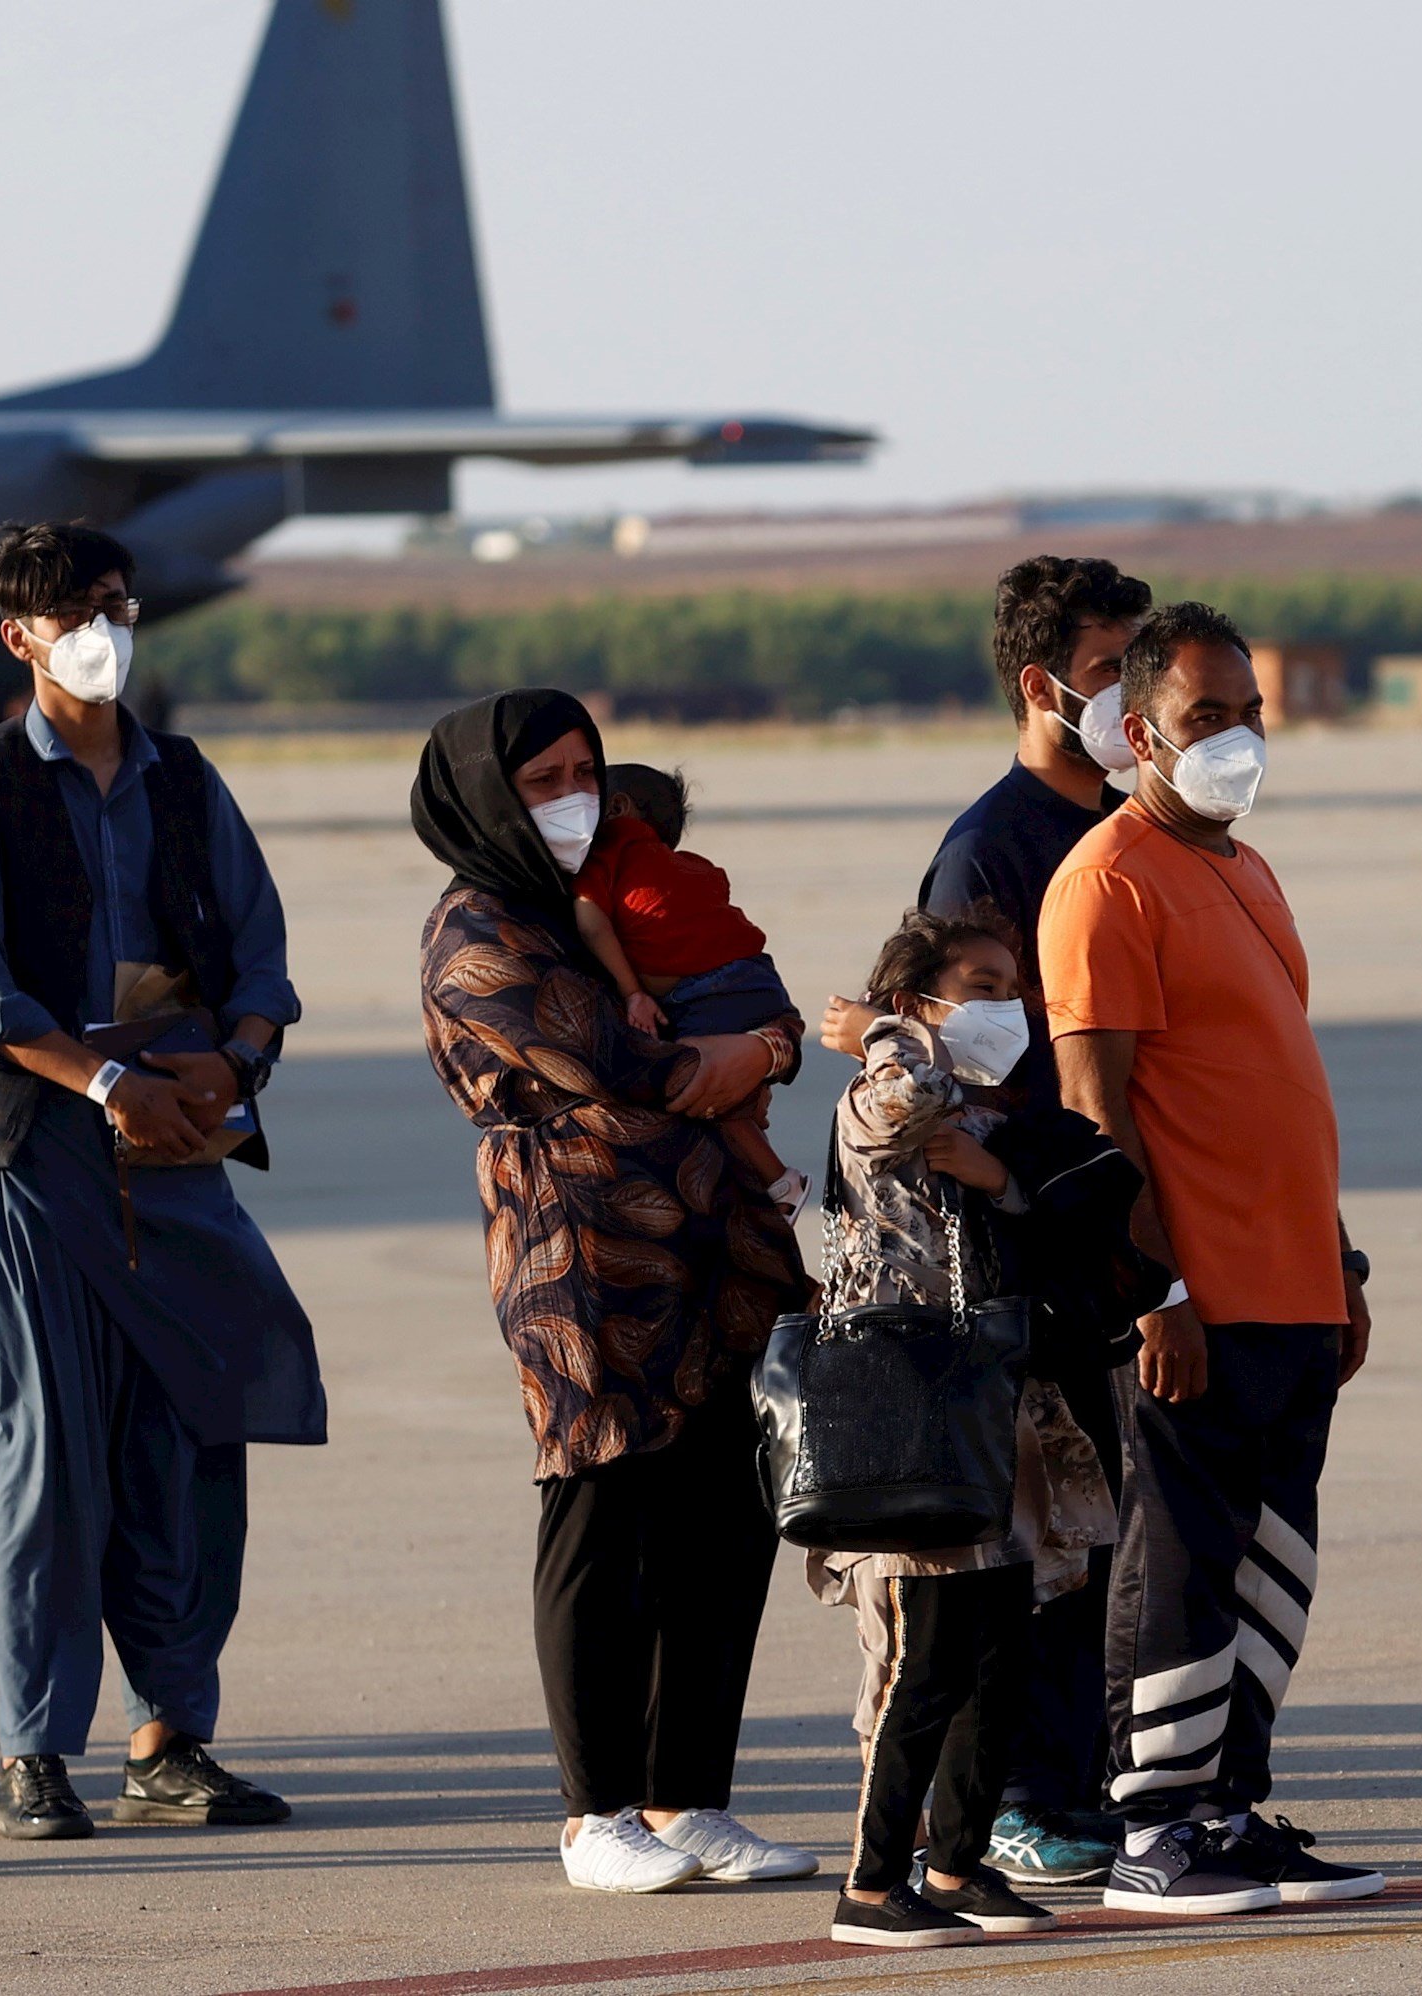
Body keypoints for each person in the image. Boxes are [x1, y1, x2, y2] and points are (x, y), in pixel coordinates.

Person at [0, 521, 324, 1842]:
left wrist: (234, 1061)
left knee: (200, 1435)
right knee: (53, 1454)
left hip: (183, 1147)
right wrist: (106, 1086)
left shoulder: (188, 780)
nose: (104, 629)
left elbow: (262, 958)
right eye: (73, 612)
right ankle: (34, 1751)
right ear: (18, 638)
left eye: (116, 604)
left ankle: (172, 1734)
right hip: (46, 1153)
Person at [411, 689, 820, 1896]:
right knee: (603, 1509)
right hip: (580, 1253)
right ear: (487, 796)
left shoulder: (626, 893)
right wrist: (749, 1052)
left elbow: (757, 994)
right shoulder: (478, 928)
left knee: (720, 1513)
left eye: (587, 769)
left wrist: (764, 1042)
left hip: (717, 1247)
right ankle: (597, 1815)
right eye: (543, 779)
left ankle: (687, 1795)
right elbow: (625, 1062)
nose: (575, 796)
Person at [1040, 601, 1384, 1916]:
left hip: (1294, 1287)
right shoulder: (1107, 879)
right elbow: (1093, 1112)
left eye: (1249, 713)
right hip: (1196, 1297)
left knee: (1269, 1561)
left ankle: (1231, 1809)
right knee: (1179, 1559)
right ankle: (1155, 1831)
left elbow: (1274, 1086)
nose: (1237, 739)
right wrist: (1156, 1292)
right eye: (1205, 719)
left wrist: (1341, 1264)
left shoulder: (1243, 866)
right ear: (1135, 732)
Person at [816, 554, 1152, 1887]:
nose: (1136, 695)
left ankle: (1066, 1784)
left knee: (1079, 1536)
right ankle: (1003, 1805)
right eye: (1117, 667)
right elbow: (937, 1074)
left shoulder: (1129, 830)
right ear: (1043, 682)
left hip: (1080, 1224)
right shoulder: (995, 846)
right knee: (998, 1564)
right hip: (996, 1266)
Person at [809, 906, 1143, 1949]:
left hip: (1003, 1420)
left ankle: (956, 1865)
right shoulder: (881, 1095)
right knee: (930, 1656)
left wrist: (1003, 1181)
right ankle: (871, 1883)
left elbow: (1091, 1181)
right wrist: (883, 1030)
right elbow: (908, 1094)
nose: (1011, 1006)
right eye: (985, 984)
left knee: (999, 1651)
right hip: (916, 1422)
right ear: (921, 1000)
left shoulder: (997, 1122)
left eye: (1015, 986)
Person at [567, 761, 805, 1212]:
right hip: (758, 979)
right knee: (733, 1091)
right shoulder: (685, 866)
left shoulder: (606, 848)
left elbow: (591, 924)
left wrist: (633, 991)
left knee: (702, 1089)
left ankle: (781, 1183)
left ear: (616, 808)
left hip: (706, 993)